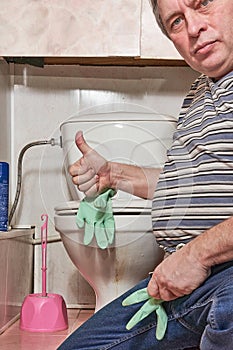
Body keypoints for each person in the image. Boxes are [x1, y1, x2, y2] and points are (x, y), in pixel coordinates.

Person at [58, 0, 233, 348]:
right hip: (177, 285)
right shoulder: (200, 91)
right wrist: (114, 175)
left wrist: (197, 255)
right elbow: (187, 186)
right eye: (176, 22)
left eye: (203, 4)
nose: (194, 28)